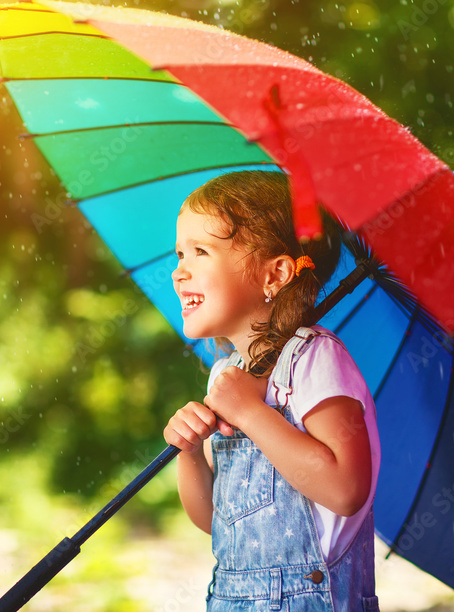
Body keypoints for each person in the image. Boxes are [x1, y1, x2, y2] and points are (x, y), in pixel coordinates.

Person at [163, 170, 381, 611]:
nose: (178, 272)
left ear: (275, 273)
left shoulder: (314, 360)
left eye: (200, 252)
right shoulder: (228, 373)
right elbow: (216, 522)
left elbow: (346, 489)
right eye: (179, 253)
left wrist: (250, 413)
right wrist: (187, 452)